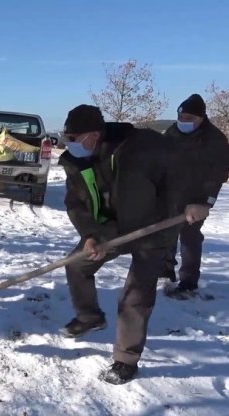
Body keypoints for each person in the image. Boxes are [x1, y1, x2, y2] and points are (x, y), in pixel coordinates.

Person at [57, 104, 206, 384]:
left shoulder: (143, 145)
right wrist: (91, 235)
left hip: (156, 226)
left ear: (94, 134)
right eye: (68, 138)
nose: (70, 144)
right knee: (77, 263)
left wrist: (199, 200)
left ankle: (125, 360)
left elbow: (187, 167)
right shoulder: (77, 162)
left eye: (74, 138)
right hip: (115, 227)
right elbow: (75, 204)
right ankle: (89, 316)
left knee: (135, 296)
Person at [161, 94, 229, 298]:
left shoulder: (215, 139)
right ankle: (165, 271)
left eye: (189, 119)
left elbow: (219, 173)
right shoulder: (172, 132)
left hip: (196, 199)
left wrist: (206, 202)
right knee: (167, 232)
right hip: (170, 193)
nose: (183, 122)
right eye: (181, 117)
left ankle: (188, 281)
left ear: (201, 118)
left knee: (190, 237)